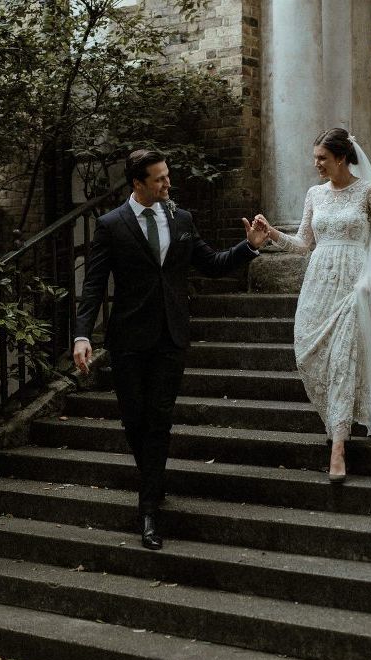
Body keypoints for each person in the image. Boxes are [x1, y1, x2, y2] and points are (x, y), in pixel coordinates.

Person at [73, 148, 268, 550]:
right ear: (138, 183)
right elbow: (93, 286)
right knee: (135, 421)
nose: (167, 183)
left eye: (167, 176)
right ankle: (152, 484)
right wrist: (81, 335)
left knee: (159, 419)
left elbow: (211, 263)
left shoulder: (181, 219)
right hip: (127, 339)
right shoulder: (111, 225)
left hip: (171, 338)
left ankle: (148, 510)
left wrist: (248, 247)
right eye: (159, 179)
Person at [250, 128, 371, 483]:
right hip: (317, 284)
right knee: (306, 353)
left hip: (352, 283)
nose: (316, 164)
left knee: (343, 360)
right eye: (315, 158)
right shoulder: (315, 194)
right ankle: (334, 421)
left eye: (322, 158)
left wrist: (368, 283)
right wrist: (272, 235)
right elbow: (303, 243)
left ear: (342, 158)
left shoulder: (369, 192)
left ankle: (338, 448)